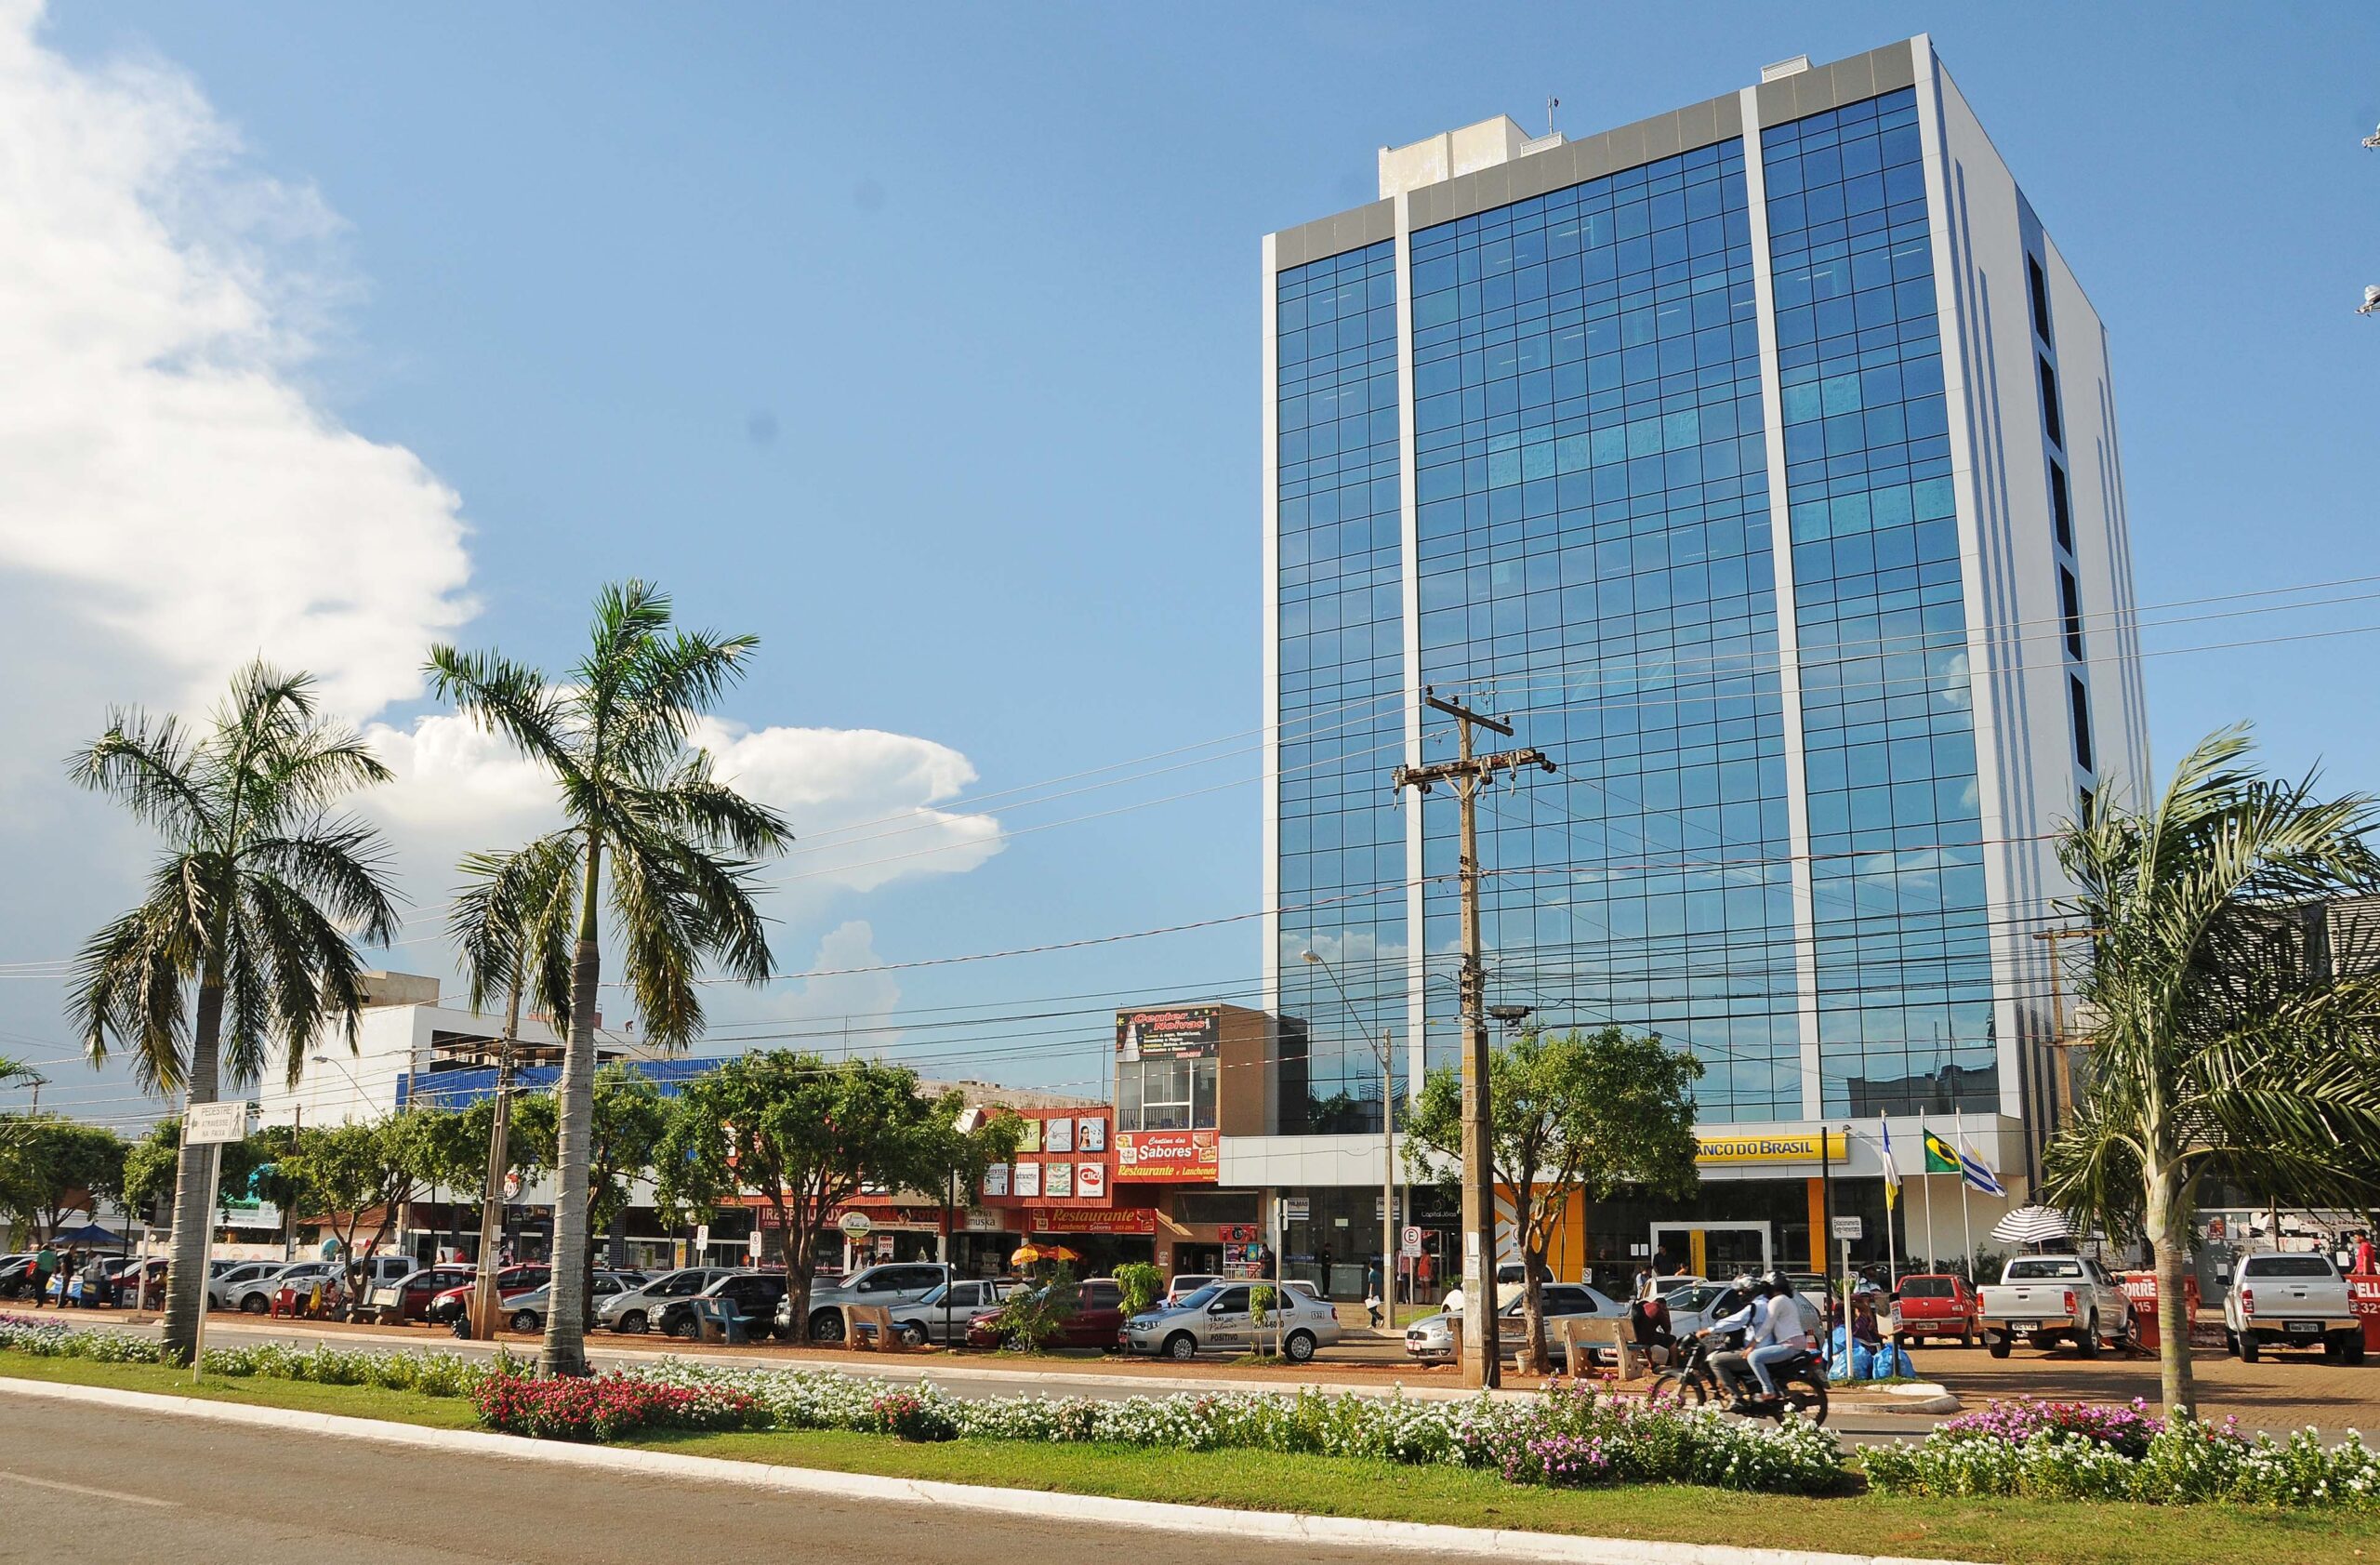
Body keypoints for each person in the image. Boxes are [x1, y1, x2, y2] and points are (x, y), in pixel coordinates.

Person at [1748, 1270, 1815, 1398]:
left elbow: (1767, 1326)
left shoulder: (1777, 1301)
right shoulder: (1786, 1300)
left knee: (1754, 1357)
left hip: (1789, 1345)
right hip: (1795, 1342)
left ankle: (1768, 1391)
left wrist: (1752, 1345)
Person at [1699, 1276, 1765, 1401]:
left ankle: (1737, 1398)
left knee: (1716, 1361)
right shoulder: (1762, 1303)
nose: (1739, 1294)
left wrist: (1708, 1330)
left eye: (1742, 1291)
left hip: (1756, 1350)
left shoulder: (1756, 1306)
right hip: (1757, 1347)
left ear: (1751, 1291)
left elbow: (1736, 1320)